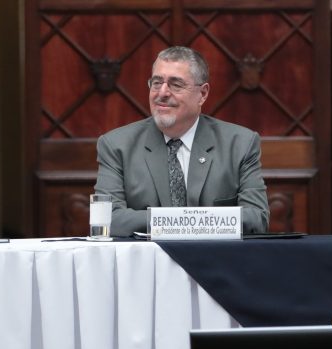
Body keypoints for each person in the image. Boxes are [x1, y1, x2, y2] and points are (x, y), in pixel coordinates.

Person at [94, 46, 270, 236]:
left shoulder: (240, 144)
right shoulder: (116, 145)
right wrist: (186, 221)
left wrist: (175, 221)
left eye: (175, 84)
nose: (162, 93)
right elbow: (107, 219)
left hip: (215, 262)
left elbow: (256, 218)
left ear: (202, 94)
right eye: (156, 83)